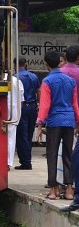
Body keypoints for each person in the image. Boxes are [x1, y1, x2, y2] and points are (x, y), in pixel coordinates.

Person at [36, 51, 79, 200]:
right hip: (69, 120)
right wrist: (78, 121)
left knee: (52, 154)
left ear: (46, 64)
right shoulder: (70, 81)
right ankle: (69, 190)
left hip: (54, 121)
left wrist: (40, 123)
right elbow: (75, 104)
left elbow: (45, 105)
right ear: (60, 62)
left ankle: (53, 190)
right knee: (68, 155)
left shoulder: (47, 81)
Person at [15, 57, 41, 170]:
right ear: (25, 64)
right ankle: (27, 159)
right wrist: (39, 103)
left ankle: (26, 162)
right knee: (29, 135)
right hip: (33, 107)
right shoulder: (33, 76)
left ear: (15, 64)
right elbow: (38, 91)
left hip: (22, 107)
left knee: (22, 135)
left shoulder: (15, 77)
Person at [7, 72, 24, 170]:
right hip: (13, 113)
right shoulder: (17, 81)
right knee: (11, 139)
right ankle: (8, 163)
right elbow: (21, 99)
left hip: (1, 112)